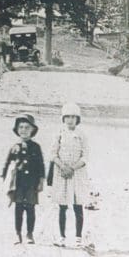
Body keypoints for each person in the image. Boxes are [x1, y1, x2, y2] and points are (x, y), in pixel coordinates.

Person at [1, 114, 46, 244]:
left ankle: (30, 234)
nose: (23, 130)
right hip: (18, 183)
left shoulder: (36, 147)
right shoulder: (14, 147)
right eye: (21, 127)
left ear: (32, 130)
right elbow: (7, 164)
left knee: (31, 209)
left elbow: (41, 165)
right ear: (17, 130)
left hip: (31, 183)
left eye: (27, 127)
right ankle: (17, 233)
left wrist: (41, 181)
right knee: (19, 208)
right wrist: (5, 179)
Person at [50, 102, 89, 248]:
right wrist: (62, 166)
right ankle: (62, 237)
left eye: (73, 117)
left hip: (77, 174)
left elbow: (85, 156)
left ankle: (78, 238)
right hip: (62, 173)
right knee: (62, 205)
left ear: (77, 119)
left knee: (78, 205)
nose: (70, 120)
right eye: (67, 117)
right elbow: (53, 154)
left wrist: (72, 168)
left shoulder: (82, 135)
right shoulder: (59, 134)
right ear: (63, 118)